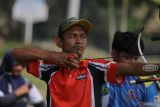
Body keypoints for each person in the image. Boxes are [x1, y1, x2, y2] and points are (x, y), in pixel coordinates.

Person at [8, 17, 160, 107]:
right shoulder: (48, 68)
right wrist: (52, 56)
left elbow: (133, 68)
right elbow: (15, 55)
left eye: (83, 36)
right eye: (72, 36)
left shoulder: (97, 68)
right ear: (59, 42)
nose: (79, 41)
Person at [101, 31, 158, 107]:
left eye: (136, 58)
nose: (134, 63)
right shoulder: (99, 76)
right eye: (128, 57)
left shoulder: (146, 84)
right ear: (114, 54)